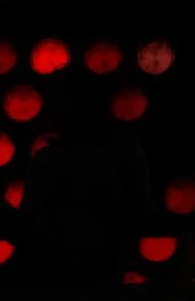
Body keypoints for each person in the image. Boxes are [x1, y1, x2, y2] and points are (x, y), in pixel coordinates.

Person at [16, 86, 151, 284]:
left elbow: (28, 215)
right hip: (102, 264)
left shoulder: (46, 162)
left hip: (58, 268)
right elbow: (141, 206)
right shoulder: (124, 154)